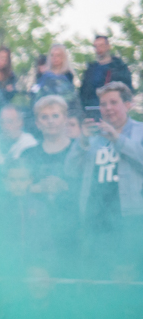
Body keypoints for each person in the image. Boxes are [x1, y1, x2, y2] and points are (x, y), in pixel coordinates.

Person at [67, 82, 143, 245]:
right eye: (103, 104)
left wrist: (117, 138)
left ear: (127, 105)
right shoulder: (92, 136)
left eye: (113, 102)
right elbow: (70, 170)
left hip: (131, 216)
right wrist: (82, 140)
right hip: (95, 216)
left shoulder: (140, 131)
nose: (108, 108)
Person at [24, 95, 78, 248]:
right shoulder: (28, 154)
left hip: (74, 229)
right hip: (38, 231)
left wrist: (65, 186)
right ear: (37, 123)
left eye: (55, 116)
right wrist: (36, 188)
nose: (50, 121)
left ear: (65, 119)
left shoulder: (78, 151)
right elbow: (16, 187)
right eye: (44, 117)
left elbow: (92, 189)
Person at [79, 35, 134, 113]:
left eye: (101, 45)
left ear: (108, 46)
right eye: (96, 46)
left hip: (113, 111)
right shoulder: (90, 70)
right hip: (92, 110)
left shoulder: (120, 67)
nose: (98, 49)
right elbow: (82, 93)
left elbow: (127, 90)